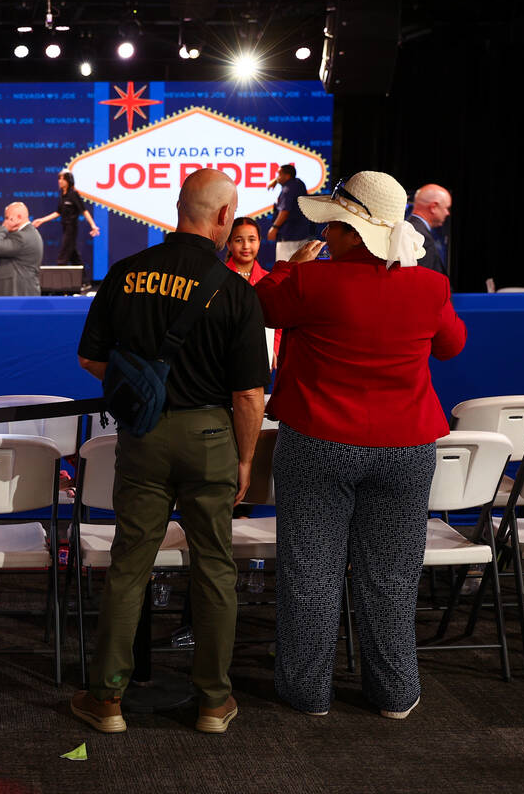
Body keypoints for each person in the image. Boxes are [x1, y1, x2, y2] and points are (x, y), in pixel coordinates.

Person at [254, 171, 466, 720]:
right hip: (406, 447)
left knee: (311, 572)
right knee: (392, 576)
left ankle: (307, 692)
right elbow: (452, 346)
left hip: (319, 441)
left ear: (350, 231)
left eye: (333, 224)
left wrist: (288, 265)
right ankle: (394, 693)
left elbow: (261, 306)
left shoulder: (310, 282)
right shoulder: (429, 285)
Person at [71, 168, 269, 735]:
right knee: (214, 568)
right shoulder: (234, 289)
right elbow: (249, 394)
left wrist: (140, 384)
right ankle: (213, 703)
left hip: (144, 436)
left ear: (176, 207)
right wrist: (246, 459)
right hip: (210, 439)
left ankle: (106, 700)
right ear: (226, 218)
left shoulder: (125, 273)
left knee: (130, 566)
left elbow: (90, 358)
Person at [225, 216, 281, 367]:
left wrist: (274, 348)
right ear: (228, 244)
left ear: (259, 242)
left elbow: (279, 322)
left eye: (251, 239)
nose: (246, 246)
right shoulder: (218, 278)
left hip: (260, 358)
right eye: (238, 240)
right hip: (224, 357)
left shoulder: (270, 279)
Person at [31, 171, 100, 273]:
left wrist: (93, 225)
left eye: (63, 179)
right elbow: (58, 212)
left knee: (63, 257)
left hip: (71, 229)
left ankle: (59, 283)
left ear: (68, 181)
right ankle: (84, 281)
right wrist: (42, 220)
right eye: (59, 179)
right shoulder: (62, 195)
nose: (60, 181)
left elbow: (83, 210)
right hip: (65, 228)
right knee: (74, 256)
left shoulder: (73, 194)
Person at [0, 201, 44, 296]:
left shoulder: (22, 236)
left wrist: (3, 228)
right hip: (21, 290)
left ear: (19, 217)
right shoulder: (29, 233)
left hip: (17, 292)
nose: (5, 221)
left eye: (7, 218)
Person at [266, 164, 318, 261]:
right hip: (302, 234)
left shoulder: (287, 189)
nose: (277, 177)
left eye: (279, 175)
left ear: (287, 176)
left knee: (284, 268)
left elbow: (285, 211)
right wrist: (276, 181)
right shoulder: (299, 183)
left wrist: (274, 228)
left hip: (288, 236)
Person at [407, 184, 451, 276]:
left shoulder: (410, 229)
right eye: (446, 208)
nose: (448, 213)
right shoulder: (420, 236)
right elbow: (422, 281)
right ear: (433, 207)